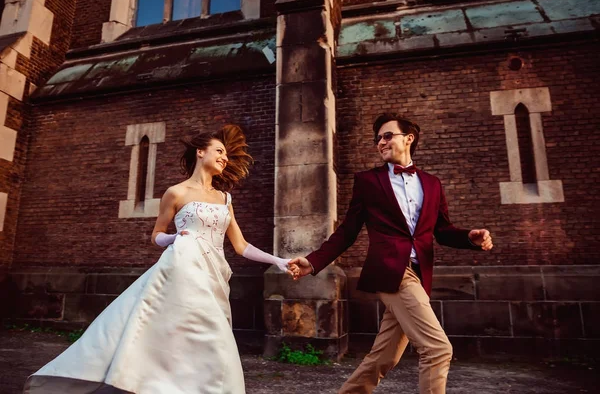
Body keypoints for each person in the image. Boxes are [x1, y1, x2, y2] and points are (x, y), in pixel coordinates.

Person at [24, 124, 297, 394]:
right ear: (200, 152)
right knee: (204, 332)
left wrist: (279, 261)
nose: (225, 157)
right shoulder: (176, 193)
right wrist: (174, 238)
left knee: (203, 336)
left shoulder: (225, 199)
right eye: (219, 151)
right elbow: (157, 235)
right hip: (181, 268)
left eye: (226, 153)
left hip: (214, 273)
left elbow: (241, 246)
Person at [289, 113, 493, 394]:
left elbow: (442, 230)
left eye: (387, 136)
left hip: (419, 274)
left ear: (408, 139)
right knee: (438, 349)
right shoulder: (368, 181)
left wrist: (469, 237)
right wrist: (313, 262)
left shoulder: (432, 183)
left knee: (384, 356)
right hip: (391, 272)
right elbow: (348, 231)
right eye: (378, 139)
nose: (381, 142)